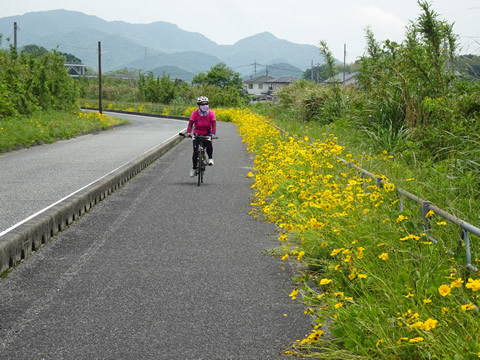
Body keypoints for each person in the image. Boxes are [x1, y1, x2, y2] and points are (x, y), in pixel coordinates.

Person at [185, 96, 216, 177]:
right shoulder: (194, 113)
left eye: (206, 104)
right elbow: (190, 124)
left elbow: (214, 125)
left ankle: (210, 158)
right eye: (202, 104)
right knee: (195, 152)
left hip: (207, 132)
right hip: (197, 133)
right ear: (199, 105)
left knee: (209, 144)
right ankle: (194, 168)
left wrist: (213, 134)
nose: (205, 105)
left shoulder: (211, 113)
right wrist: (188, 133)